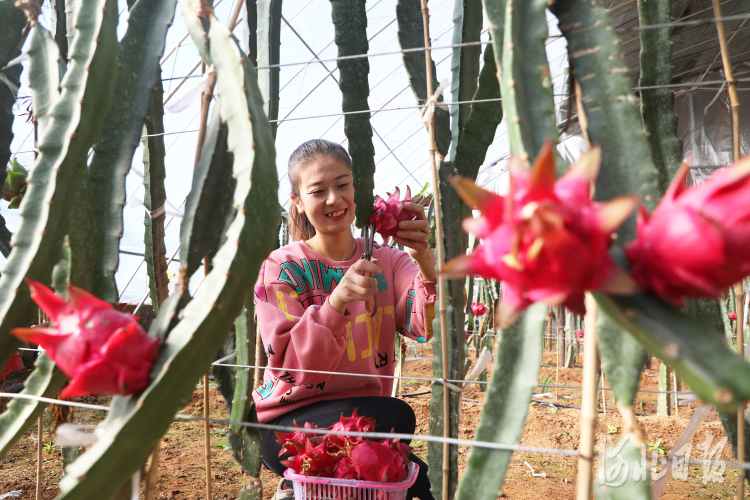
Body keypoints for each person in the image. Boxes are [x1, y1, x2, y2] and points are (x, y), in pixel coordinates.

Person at [253, 139, 438, 500]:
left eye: (342, 185)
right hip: (287, 425)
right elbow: (291, 365)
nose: (334, 199)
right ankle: (296, 481)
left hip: (368, 421)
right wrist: (336, 303)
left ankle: (299, 489)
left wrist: (425, 259)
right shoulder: (280, 267)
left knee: (416, 480)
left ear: (357, 189)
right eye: (318, 191)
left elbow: (421, 327)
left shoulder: (390, 262)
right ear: (299, 204)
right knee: (396, 417)